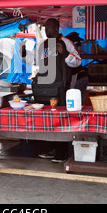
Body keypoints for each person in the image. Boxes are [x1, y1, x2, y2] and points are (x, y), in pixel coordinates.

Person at [34, 18, 82, 162]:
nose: (47, 30)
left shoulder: (66, 42)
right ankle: (50, 148)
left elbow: (77, 61)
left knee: (59, 119)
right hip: (44, 87)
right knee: (46, 119)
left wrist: (65, 53)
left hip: (60, 88)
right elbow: (37, 63)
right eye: (45, 27)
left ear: (56, 28)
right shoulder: (42, 45)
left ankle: (62, 152)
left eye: (49, 27)